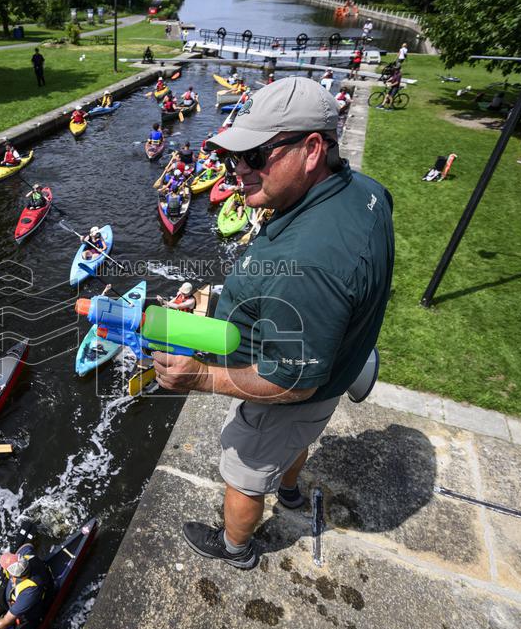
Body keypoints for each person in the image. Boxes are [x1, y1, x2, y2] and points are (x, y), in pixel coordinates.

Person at [152, 76, 393, 569]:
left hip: (293, 391)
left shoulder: (309, 263)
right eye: (231, 158)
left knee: (243, 469)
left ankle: (236, 549)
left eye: (255, 156)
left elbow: (292, 384)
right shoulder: (368, 193)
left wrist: (200, 377)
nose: (238, 170)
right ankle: (289, 492)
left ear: (311, 149)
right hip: (333, 371)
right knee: (298, 440)